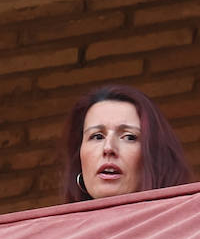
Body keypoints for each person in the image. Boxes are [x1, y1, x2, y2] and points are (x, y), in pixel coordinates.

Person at [60, 85, 190, 202]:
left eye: (129, 137)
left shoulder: (188, 226)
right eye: (97, 136)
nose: (108, 148)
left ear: (155, 157)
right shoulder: (58, 228)